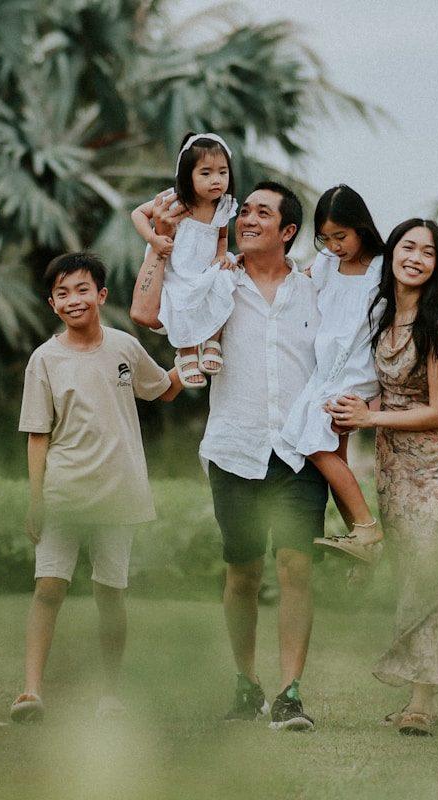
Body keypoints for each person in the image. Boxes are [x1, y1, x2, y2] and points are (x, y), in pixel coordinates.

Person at [130, 180, 327, 732]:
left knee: (296, 567)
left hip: (300, 451)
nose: (248, 219)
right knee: (243, 571)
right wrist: (159, 243)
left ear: (288, 231)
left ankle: (290, 693)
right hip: (234, 448)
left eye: (264, 213)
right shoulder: (215, 280)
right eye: (246, 211)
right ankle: (246, 684)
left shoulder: (314, 290)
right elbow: (146, 311)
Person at [9, 252, 183, 724]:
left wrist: (194, 356)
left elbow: (163, 388)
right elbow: (37, 435)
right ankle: (30, 691)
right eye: (62, 293)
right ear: (52, 304)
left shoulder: (125, 347)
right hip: (63, 494)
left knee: (110, 594)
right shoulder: (45, 359)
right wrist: (36, 501)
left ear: (101, 295)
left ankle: (110, 694)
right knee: (49, 588)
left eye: (82, 290)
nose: (74, 300)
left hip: (118, 494)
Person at [326, 219, 438, 737]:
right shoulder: (381, 313)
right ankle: (420, 691)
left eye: (428, 252)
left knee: (430, 572)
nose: (416, 258)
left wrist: (369, 419)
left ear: (437, 265)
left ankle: (423, 702)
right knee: (411, 571)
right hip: (395, 464)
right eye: (408, 247)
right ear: (391, 254)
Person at [276, 184, 386, 563]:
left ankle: (367, 528)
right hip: (325, 370)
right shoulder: (325, 264)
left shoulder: (381, 269)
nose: (335, 246)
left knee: (313, 443)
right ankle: (361, 539)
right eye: (326, 238)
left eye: (341, 236)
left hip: (355, 369)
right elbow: (298, 283)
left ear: (361, 228)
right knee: (333, 456)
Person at [131, 132, 238, 389]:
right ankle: (186, 352)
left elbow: (222, 236)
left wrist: (220, 255)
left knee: (223, 281)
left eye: (222, 172)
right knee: (180, 299)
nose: (216, 180)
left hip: (204, 267)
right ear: (187, 175)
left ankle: (211, 342)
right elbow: (138, 213)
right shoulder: (174, 199)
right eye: (206, 173)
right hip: (176, 267)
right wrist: (154, 238)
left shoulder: (223, 206)